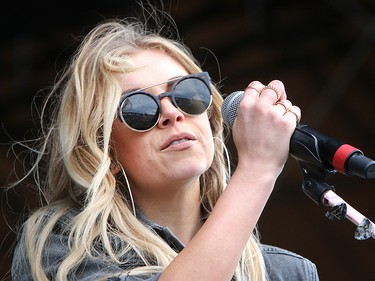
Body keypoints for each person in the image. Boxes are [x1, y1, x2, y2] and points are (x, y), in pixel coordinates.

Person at [10, 9, 319, 281]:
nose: (172, 113)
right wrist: (257, 169)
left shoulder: (285, 272)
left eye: (187, 94)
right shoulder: (61, 251)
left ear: (209, 120)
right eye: (138, 108)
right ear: (104, 149)